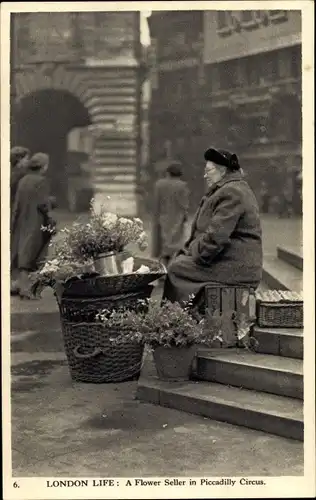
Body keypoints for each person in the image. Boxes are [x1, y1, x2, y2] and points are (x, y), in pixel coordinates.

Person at [163, 147, 263, 305]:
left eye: (208, 171)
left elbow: (216, 238)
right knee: (178, 263)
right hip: (230, 261)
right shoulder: (231, 189)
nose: (204, 175)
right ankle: (181, 317)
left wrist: (194, 254)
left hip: (236, 268)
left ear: (222, 171)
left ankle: (173, 320)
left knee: (177, 269)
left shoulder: (232, 192)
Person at [11, 152, 56, 299]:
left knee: (23, 254)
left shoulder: (23, 180)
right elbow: (43, 205)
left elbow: (17, 204)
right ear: (44, 166)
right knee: (35, 254)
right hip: (36, 222)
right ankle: (28, 290)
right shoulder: (42, 181)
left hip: (22, 221)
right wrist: (50, 218)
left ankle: (22, 287)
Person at [152, 160, 190, 266]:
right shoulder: (182, 185)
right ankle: (173, 270)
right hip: (177, 218)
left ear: (168, 173)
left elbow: (156, 202)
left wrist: (156, 217)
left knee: (163, 246)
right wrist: (185, 217)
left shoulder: (159, 184)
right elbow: (184, 204)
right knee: (175, 245)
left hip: (162, 218)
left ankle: (162, 270)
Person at [10, 146, 30, 211]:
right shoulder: (20, 174)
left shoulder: (13, 171)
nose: (28, 161)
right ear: (19, 159)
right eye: (26, 158)